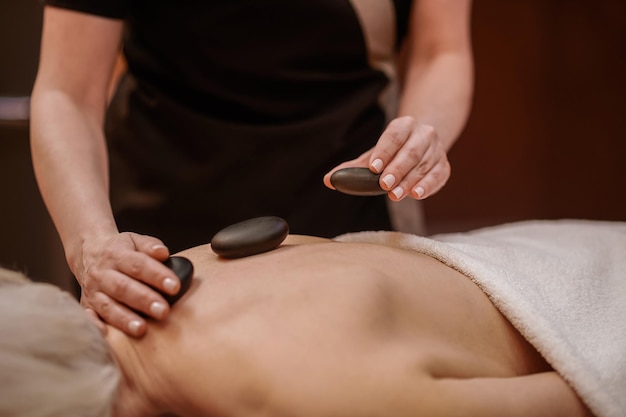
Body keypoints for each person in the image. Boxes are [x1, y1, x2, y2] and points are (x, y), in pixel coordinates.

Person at [29, 1, 474, 337]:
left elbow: (442, 50)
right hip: (155, 228)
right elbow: (66, 92)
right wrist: (92, 245)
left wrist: (421, 133)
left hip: (346, 211)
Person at [4, 221, 614, 417]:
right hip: (547, 246)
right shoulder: (166, 268)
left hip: (586, 312)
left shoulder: (302, 392)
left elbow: (588, 393)